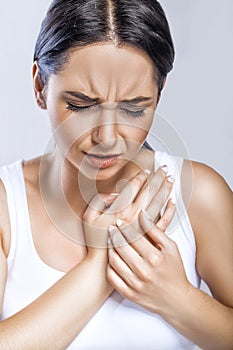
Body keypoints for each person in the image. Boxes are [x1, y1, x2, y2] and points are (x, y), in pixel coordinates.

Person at [0, 0, 232, 349]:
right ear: (39, 86)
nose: (107, 138)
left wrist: (176, 296)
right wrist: (101, 266)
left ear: (160, 91)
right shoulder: (7, 207)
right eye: (81, 105)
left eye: (134, 108)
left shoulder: (200, 196)